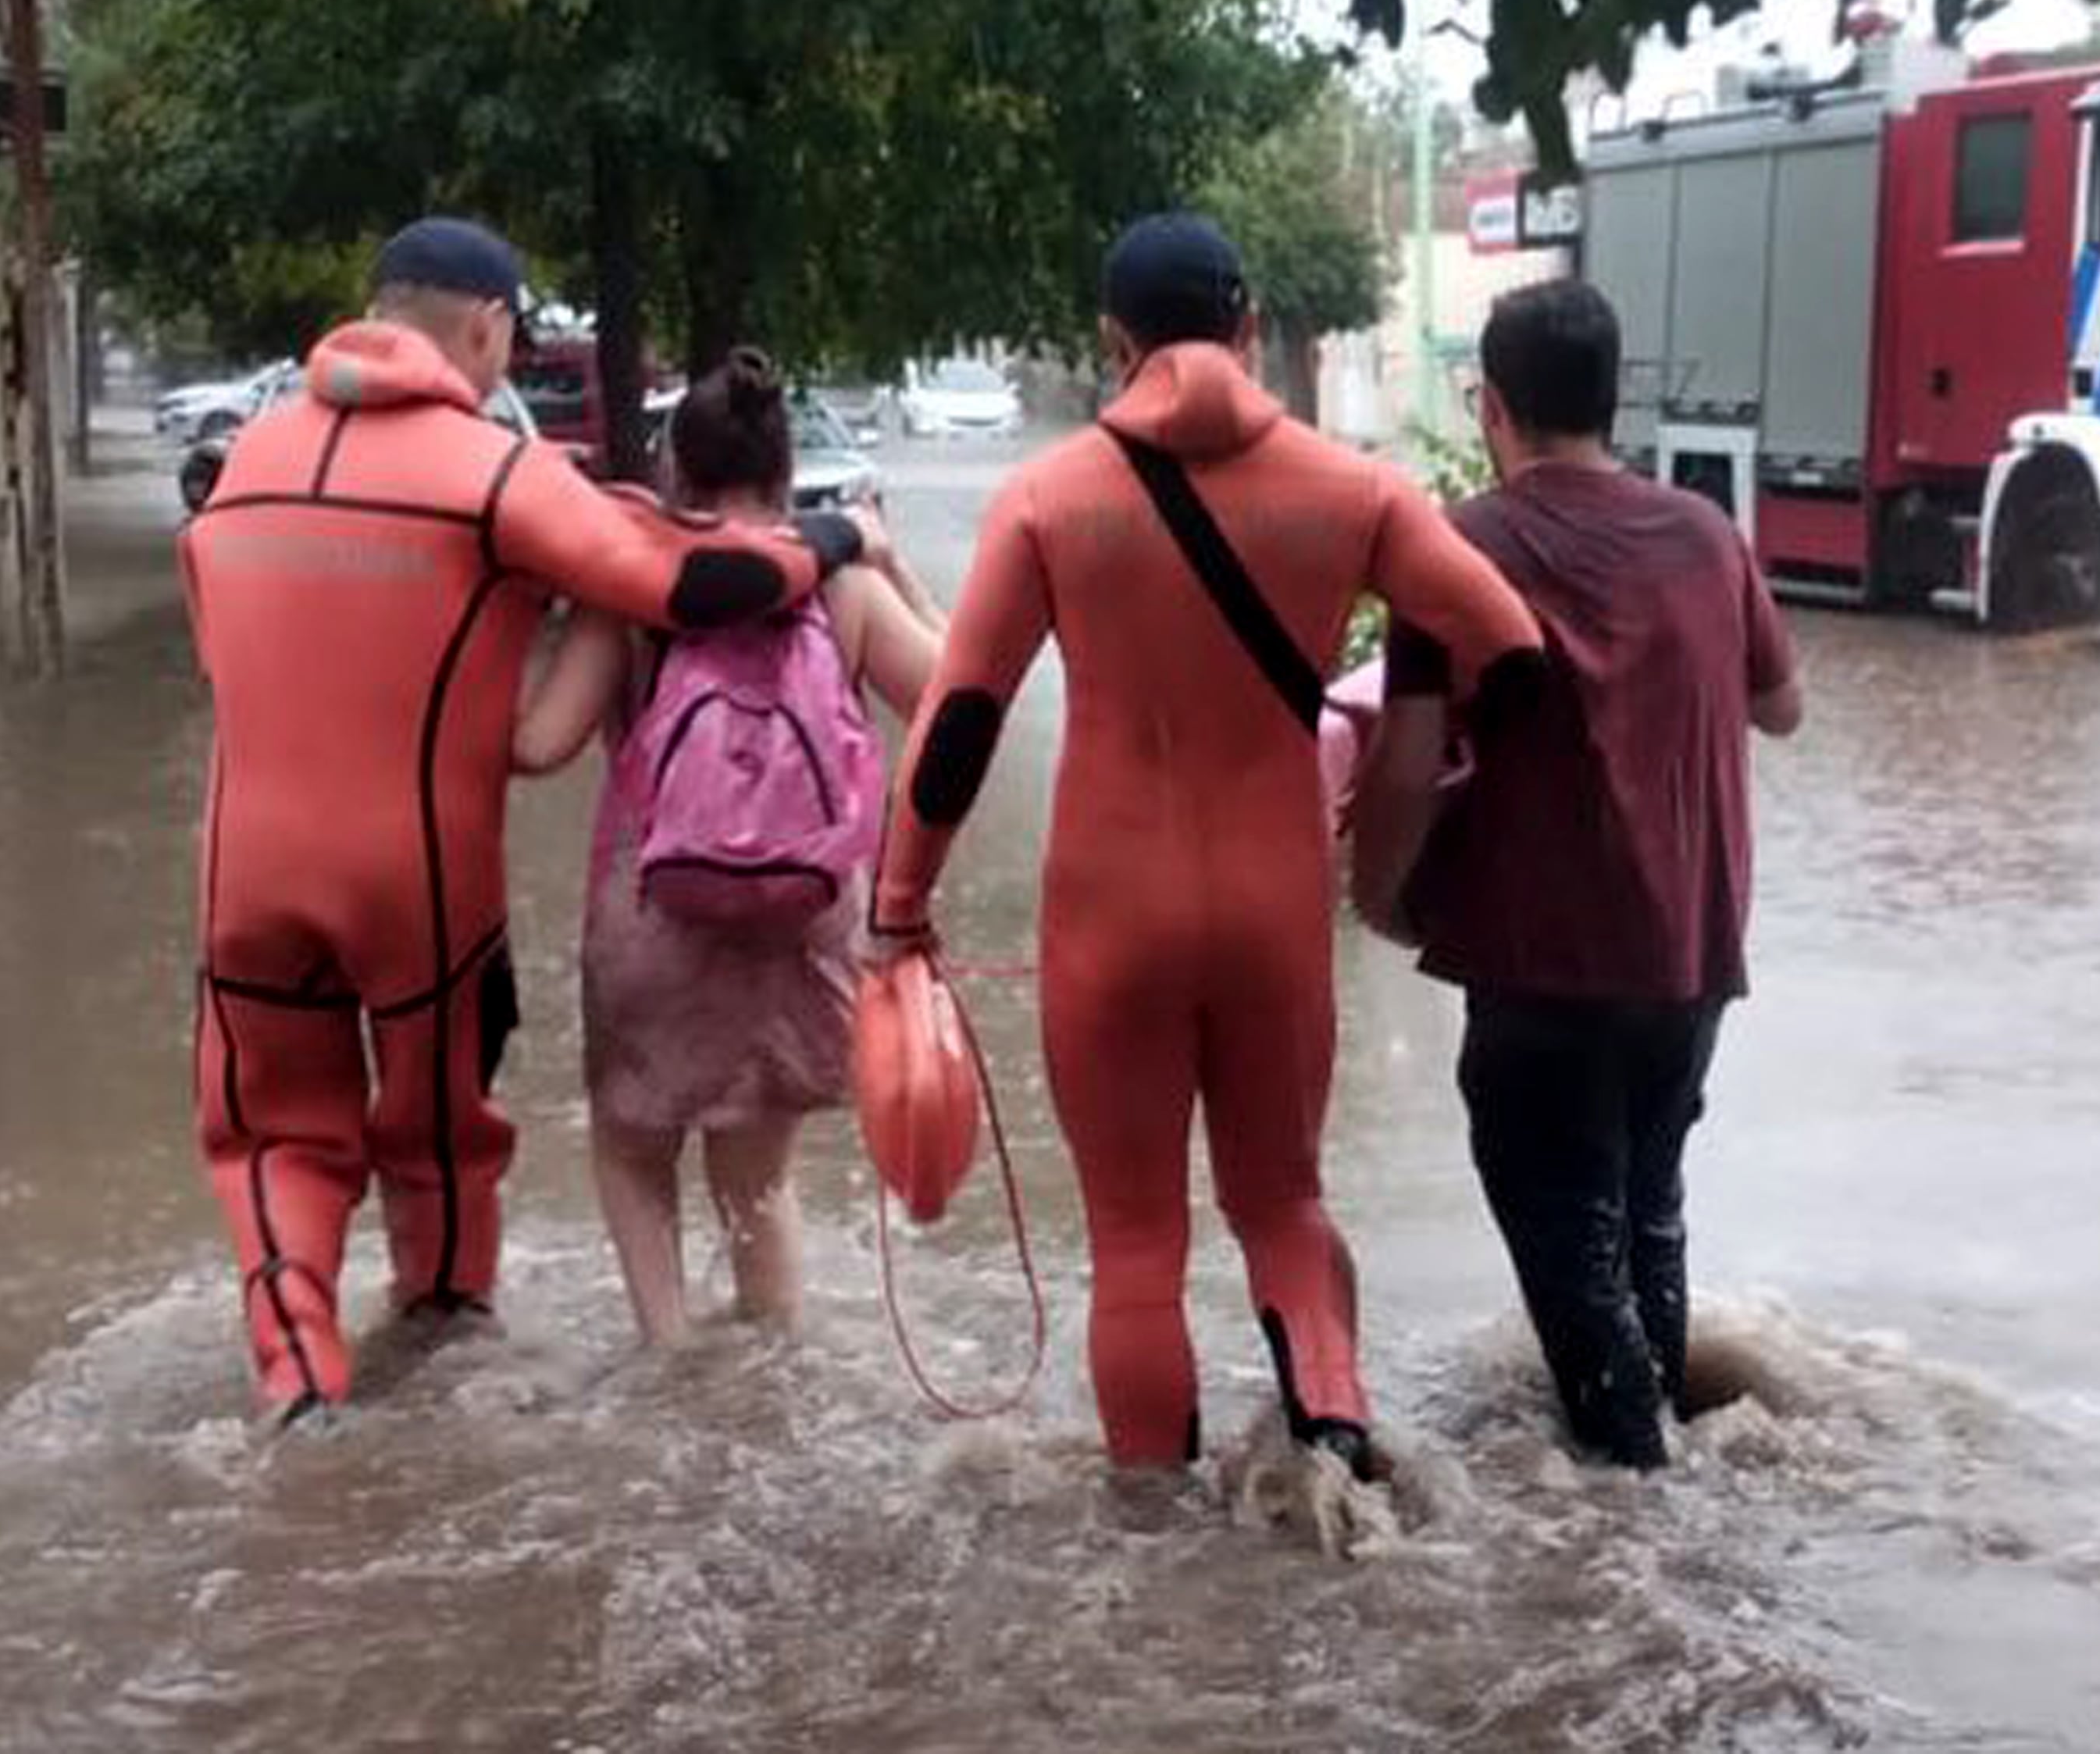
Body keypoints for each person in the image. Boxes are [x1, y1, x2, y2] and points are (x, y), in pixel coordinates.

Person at [870, 214, 1542, 1478]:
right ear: (1246, 330)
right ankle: (1337, 1467)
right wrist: (1432, 777)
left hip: (1110, 911)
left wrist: (898, 905)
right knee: (1284, 1206)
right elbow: (1510, 648)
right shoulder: (1356, 491)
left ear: (1115, 344)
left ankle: (1150, 1540)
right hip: (1274, 905)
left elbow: (961, 718)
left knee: (1135, 1243)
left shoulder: (1050, 498)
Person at [182, 219, 872, 1426]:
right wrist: (843, 536)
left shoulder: (245, 460)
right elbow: (701, 584)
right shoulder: (492, 470)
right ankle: (444, 1318)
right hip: (417, 870)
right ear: (487, 328)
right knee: (435, 1127)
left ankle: (295, 1376)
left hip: (243, 866)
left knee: (272, 1133)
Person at [1351, 277, 1802, 1470]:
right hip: (1689, 963)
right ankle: (1679, 1494)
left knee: (1572, 1254)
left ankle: (1637, 1527)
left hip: (1539, 970)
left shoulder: (1454, 546)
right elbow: (1784, 707)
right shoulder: (1709, 537)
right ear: (1614, 400)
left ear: (1491, 405)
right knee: (1644, 1216)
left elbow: (1400, 763)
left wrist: (1376, 895)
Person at [513, 355, 945, 1345]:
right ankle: (767, 1365)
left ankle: (665, 1356)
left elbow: (537, 746)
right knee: (757, 1178)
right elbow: (954, 700)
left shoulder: (628, 591)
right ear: (788, 473)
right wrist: (888, 562)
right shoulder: (839, 590)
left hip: (653, 917)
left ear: (675, 472)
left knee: (632, 1147)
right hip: (800, 918)